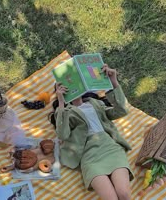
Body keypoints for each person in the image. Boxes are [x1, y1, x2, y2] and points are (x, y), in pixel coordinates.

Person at [51, 64, 134, 200]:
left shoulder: (95, 103)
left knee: (124, 194)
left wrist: (113, 81)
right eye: (65, 87)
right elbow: (62, 134)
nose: (72, 88)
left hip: (111, 148)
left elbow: (122, 110)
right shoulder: (66, 112)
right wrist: (61, 103)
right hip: (89, 156)